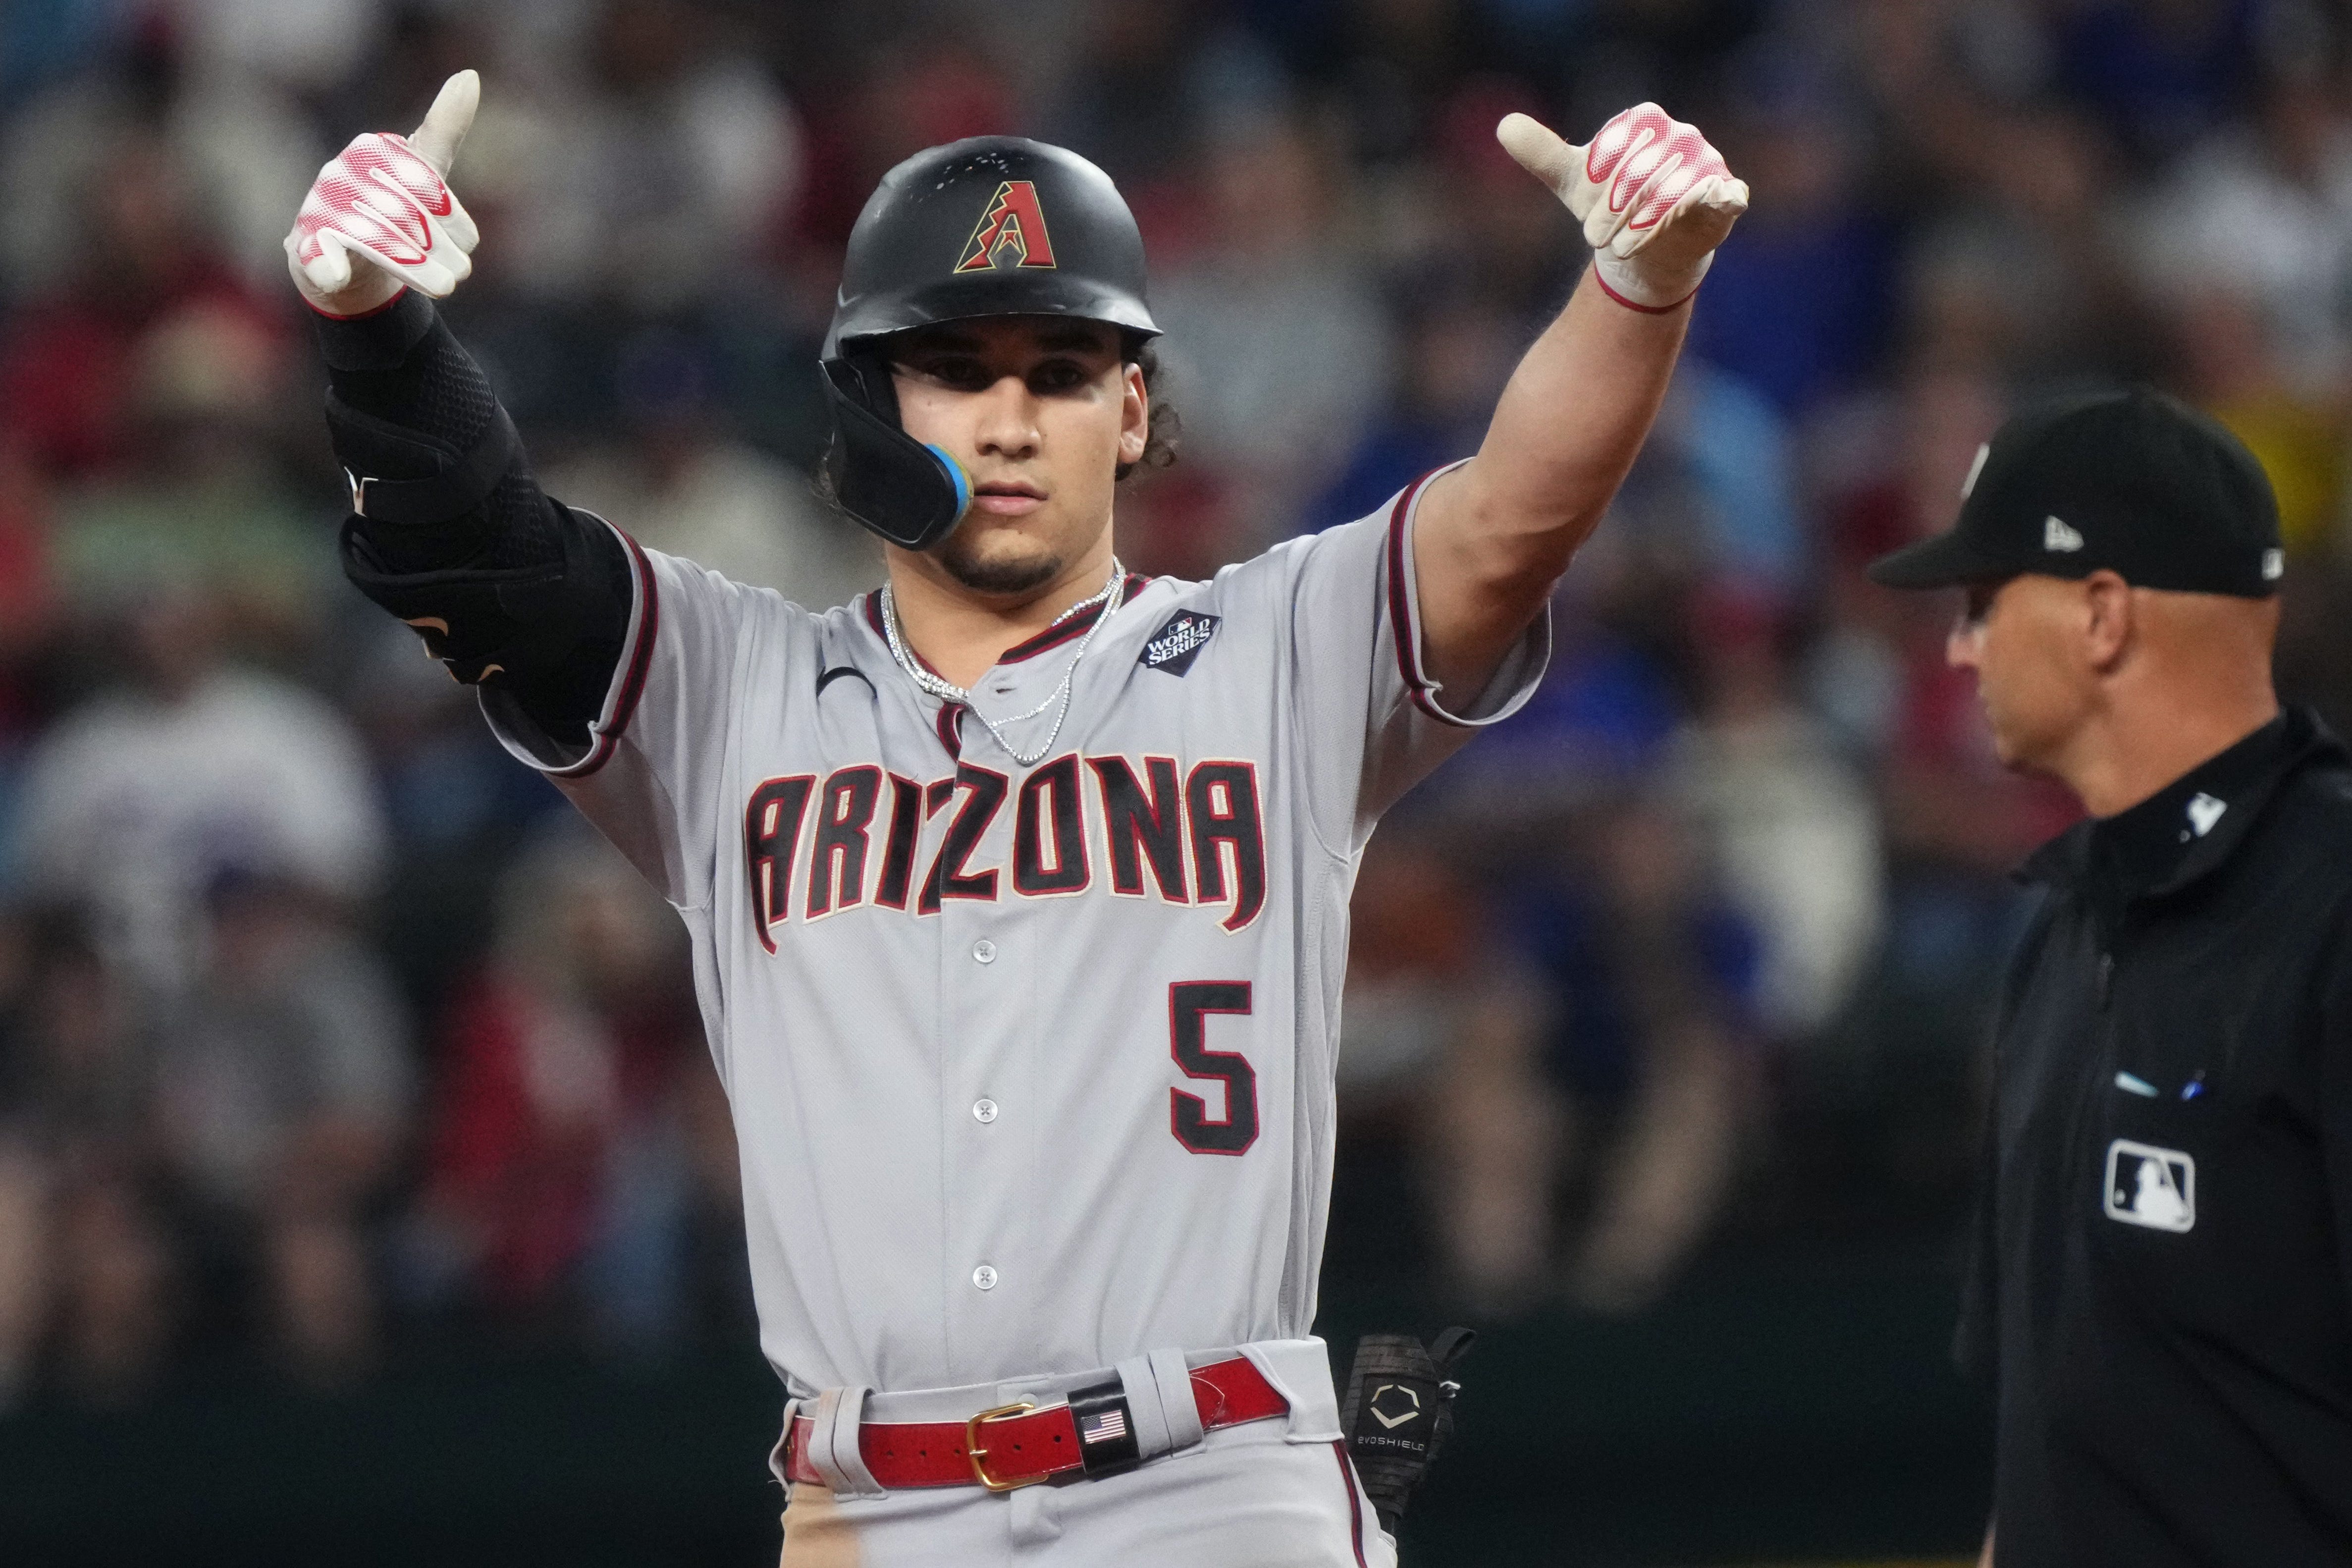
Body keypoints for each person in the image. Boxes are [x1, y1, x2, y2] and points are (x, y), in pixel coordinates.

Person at [283, 72, 1747, 1564]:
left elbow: (1509, 519)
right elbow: (477, 558)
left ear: (1130, 408)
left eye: (1061, 368)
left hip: (1212, 1483)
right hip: (865, 1504)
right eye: (954, 367)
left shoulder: (1275, 651)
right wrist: (380, 335)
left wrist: (1640, 284)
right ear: (869, 396)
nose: (1009, 416)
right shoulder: (729, 688)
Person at [1867, 389, 2352, 1567]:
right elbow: (2053, 1436)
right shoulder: (2061, 924)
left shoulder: (2330, 910)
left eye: (1984, 603)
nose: (1957, 644)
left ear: (2100, 615)